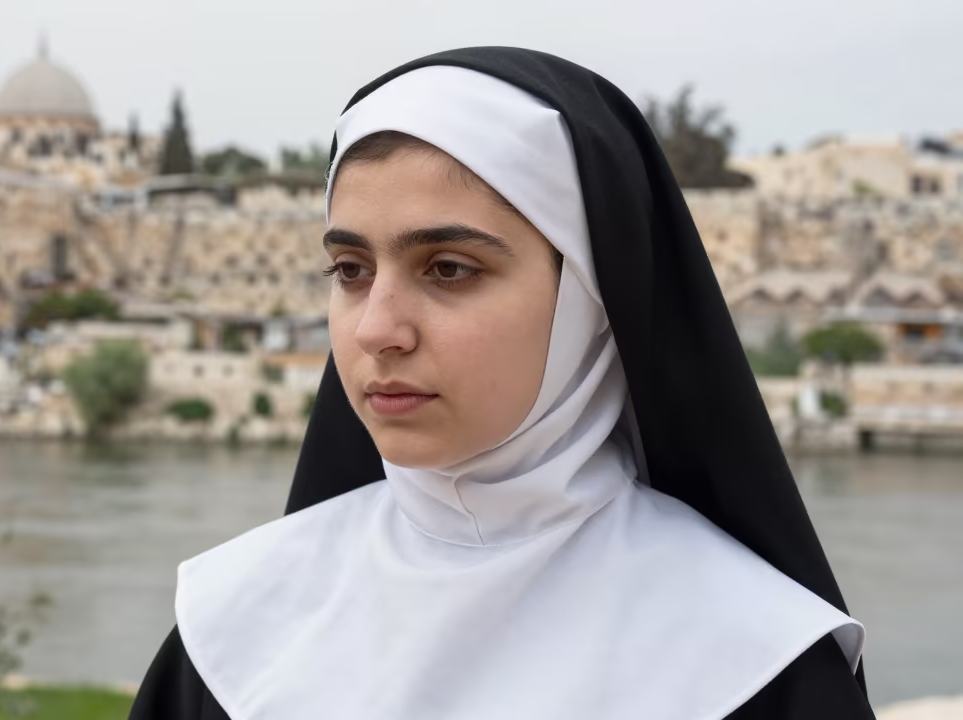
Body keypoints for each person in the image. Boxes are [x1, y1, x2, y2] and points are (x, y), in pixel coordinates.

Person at [129, 47, 873, 720]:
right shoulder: (232, 632)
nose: (376, 329)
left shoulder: (759, 666)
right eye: (350, 271)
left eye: (449, 268)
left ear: (593, 300)